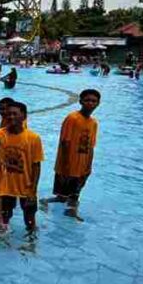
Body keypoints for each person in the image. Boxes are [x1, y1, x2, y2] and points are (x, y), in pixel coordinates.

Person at [42, 89, 100, 219]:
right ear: (81, 101)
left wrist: (89, 165)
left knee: (75, 192)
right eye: (87, 100)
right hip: (67, 164)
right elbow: (65, 143)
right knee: (62, 196)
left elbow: (91, 146)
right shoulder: (72, 118)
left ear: (98, 103)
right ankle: (45, 202)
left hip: (82, 164)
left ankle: (71, 211)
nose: (90, 103)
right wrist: (66, 165)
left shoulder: (93, 123)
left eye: (93, 101)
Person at [0, 101, 43, 232]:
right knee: (4, 218)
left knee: (30, 219)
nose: (11, 117)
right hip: (5, 186)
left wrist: (33, 191)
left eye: (15, 114)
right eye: (9, 114)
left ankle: (31, 242)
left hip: (26, 186)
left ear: (24, 116)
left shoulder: (33, 138)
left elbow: (36, 166)